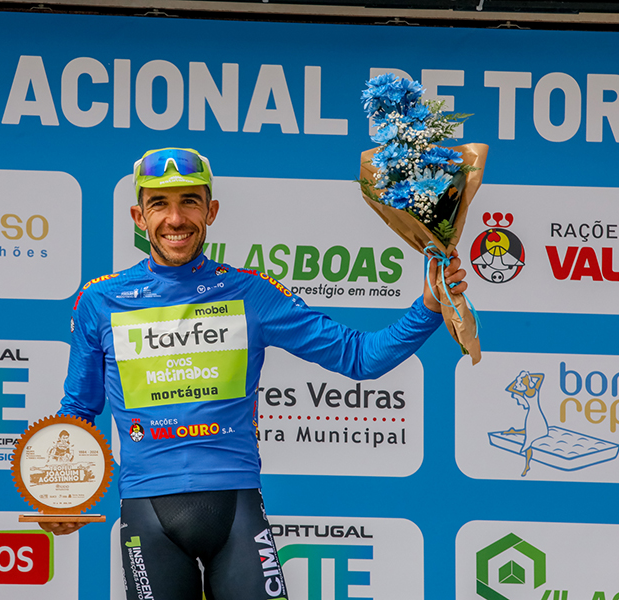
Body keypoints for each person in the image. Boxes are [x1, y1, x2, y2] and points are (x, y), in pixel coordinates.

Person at [41, 147, 468, 600]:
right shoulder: (100, 301)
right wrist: (61, 496)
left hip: (235, 506)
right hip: (147, 512)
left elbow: (358, 357)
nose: (175, 218)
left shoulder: (250, 294)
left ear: (211, 210)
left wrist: (429, 307)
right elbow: (79, 410)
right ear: (138, 216)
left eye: (189, 201)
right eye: (159, 204)